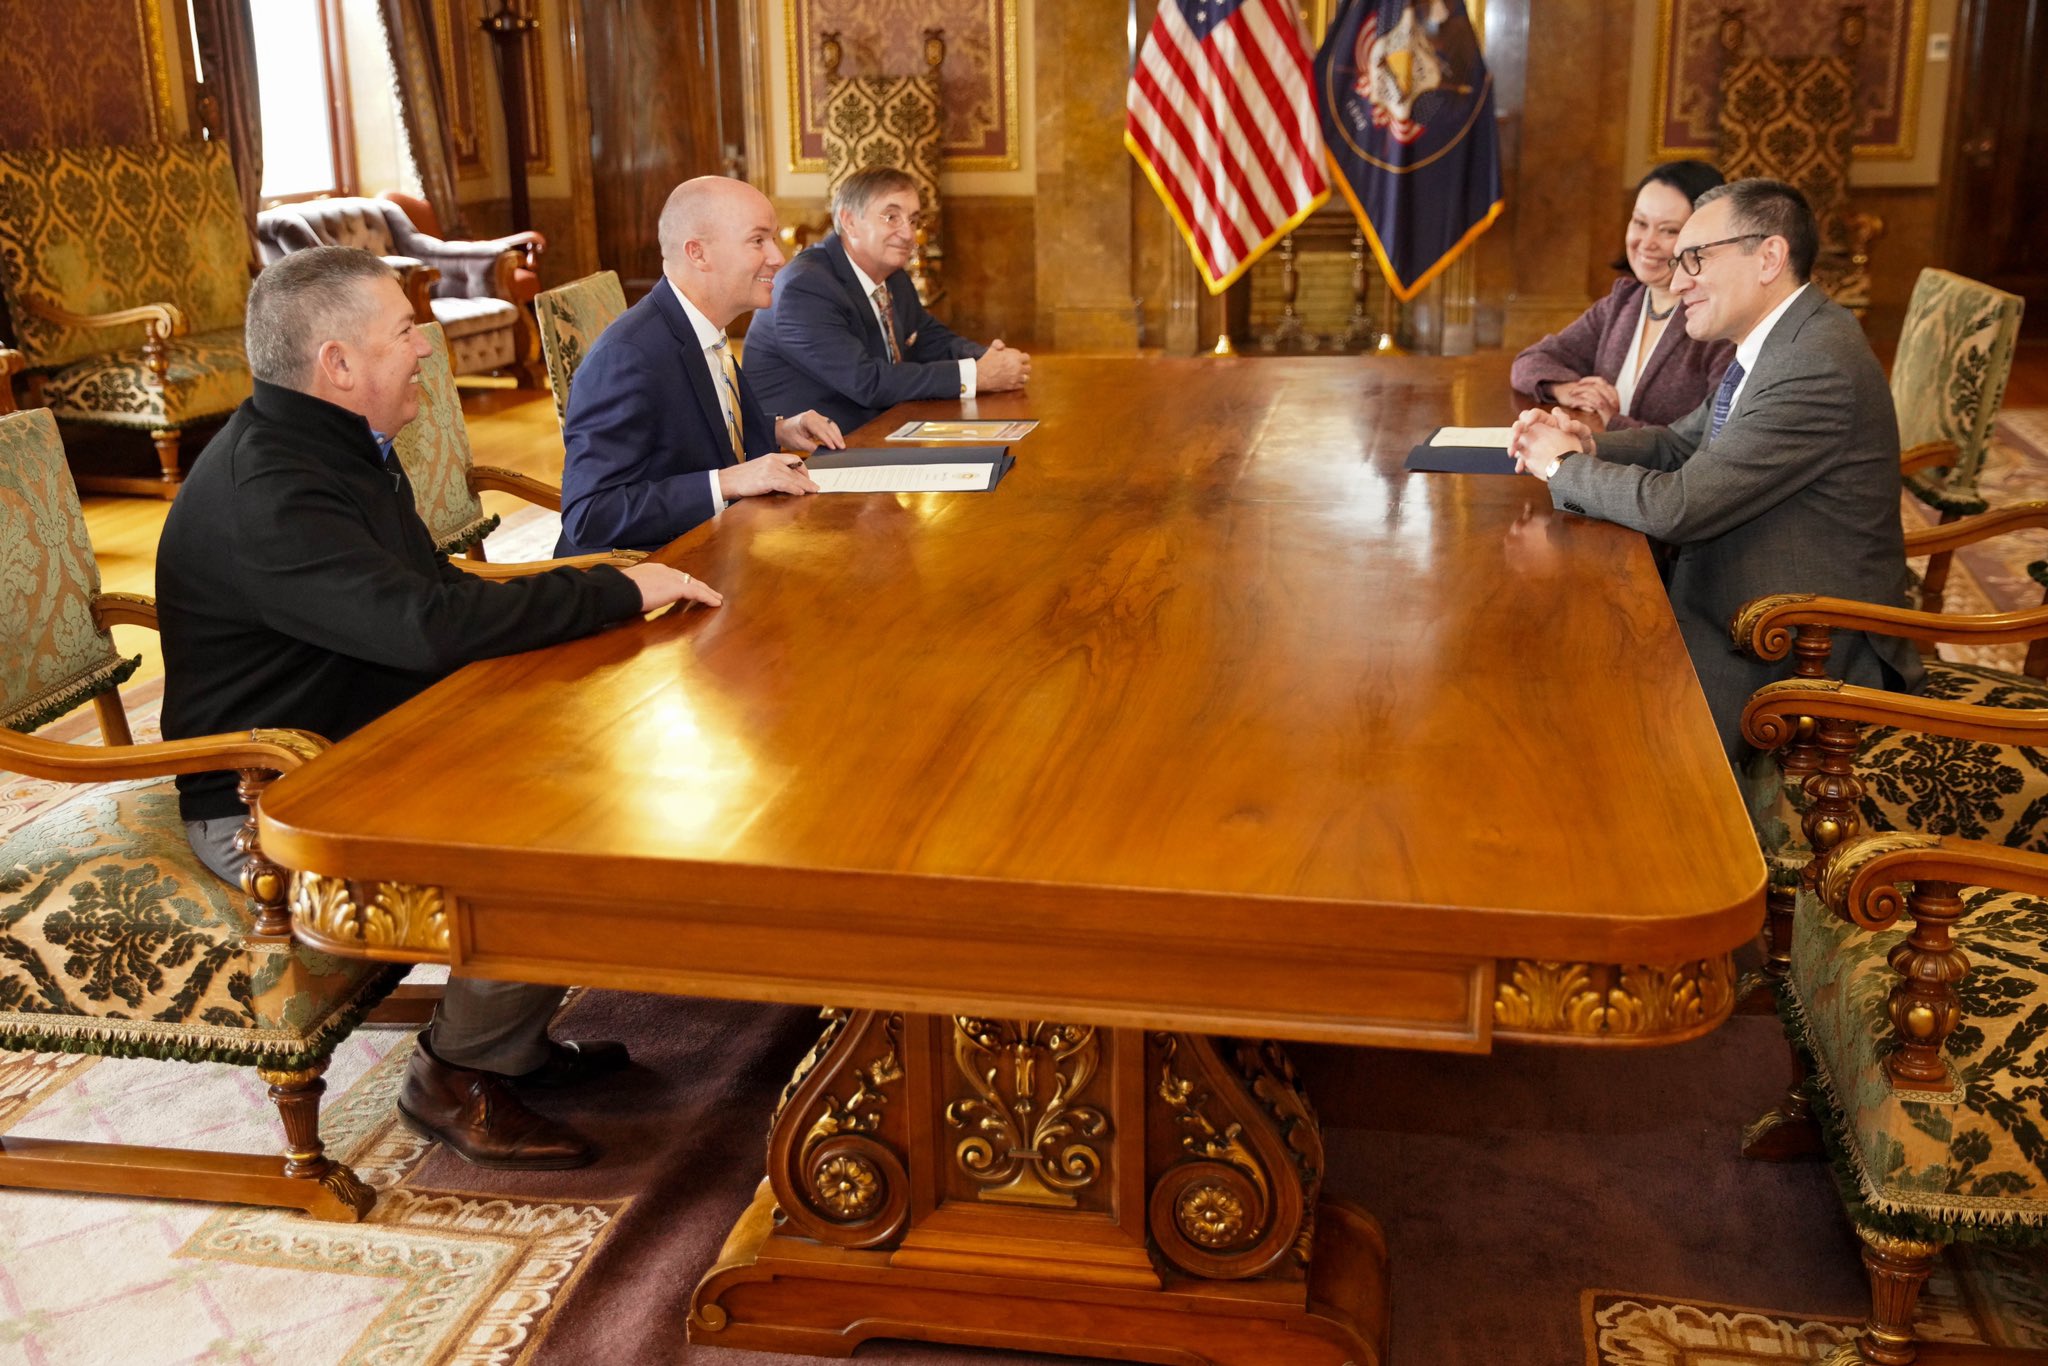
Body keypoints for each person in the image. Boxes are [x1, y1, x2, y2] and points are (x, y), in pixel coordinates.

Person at [157, 245, 722, 1170]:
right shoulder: (274, 490)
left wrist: (602, 584)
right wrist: (616, 589)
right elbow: (426, 625)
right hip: (276, 799)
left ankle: (510, 1043)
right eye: (403, 329)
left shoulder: (323, 443)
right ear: (337, 364)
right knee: (564, 816)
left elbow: (430, 594)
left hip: (366, 736)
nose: (425, 346)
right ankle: (457, 1069)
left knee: (608, 750)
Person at [1509, 178, 1921, 760]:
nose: (1676, 283)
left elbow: (1680, 508)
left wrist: (1563, 467)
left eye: (1694, 259)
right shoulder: (1777, 341)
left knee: (1582, 717)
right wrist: (1593, 447)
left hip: (1802, 645)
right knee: (1561, 661)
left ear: (1769, 257)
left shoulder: (1812, 364)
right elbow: (1682, 443)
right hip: (1744, 603)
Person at [555, 176, 845, 556]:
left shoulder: (703, 326)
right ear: (698, 253)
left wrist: (777, 428)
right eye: (759, 240)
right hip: (645, 575)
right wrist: (726, 483)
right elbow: (590, 514)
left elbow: (688, 428)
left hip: (719, 546)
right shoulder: (627, 356)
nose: (778, 257)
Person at [741, 166, 1031, 433]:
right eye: (891, 217)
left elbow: (929, 338)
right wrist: (975, 375)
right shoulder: (804, 288)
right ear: (849, 221)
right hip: (809, 457)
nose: (909, 234)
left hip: (881, 432)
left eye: (913, 219)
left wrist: (989, 358)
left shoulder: (893, 276)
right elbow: (867, 382)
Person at [1510, 160, 1734, 429]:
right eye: (1640, 223)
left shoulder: (1721, 323)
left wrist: (1613, 422)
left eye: (1669, 230)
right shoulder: (1625, 300)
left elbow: (1710, 441)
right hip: (1599, 468)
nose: (1647, 243)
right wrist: (1565, 388)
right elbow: (1529, 362)